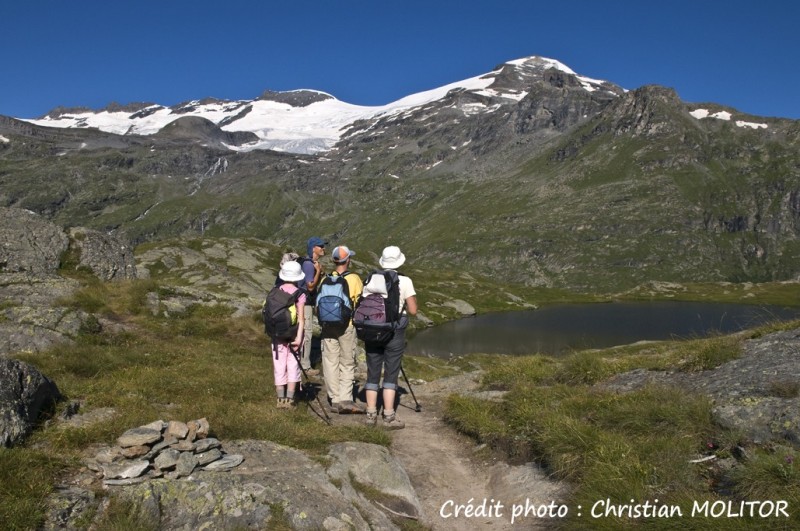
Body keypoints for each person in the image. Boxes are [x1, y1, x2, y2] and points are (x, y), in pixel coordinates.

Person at [363, 245, 417, 430]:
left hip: (371, 330)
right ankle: (388, 416)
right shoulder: (405, 281)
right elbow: (413, 310)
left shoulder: (371, 279)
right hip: (394, 331)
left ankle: (370, 414)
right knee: (391, 373)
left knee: (372, 371)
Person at [320, 245, 365, 414]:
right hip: (347, 325)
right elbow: (360, 302)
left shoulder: (326, 279)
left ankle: (334, 398)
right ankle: (346, 399)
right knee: (346, 362)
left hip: (327, 325)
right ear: (348, 260)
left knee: (330, 362)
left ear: (334, 260)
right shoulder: (354, 278)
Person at [270, 260, 306, 409]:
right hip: (293, 335)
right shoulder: (300, 294)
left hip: (277, 335)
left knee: (279, 365)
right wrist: (298, 338)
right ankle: (290, 400)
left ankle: (280, 399)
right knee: (292, 365)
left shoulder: (275, 291)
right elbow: (301, 319)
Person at [300, 237, 327, 376]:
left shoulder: (309, 263)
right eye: (321, 246)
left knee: (304, 332)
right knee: (307, 333)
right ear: (313, 248)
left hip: (304, 302)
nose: (323, 248)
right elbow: (310, 287)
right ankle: (305, 366)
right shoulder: (310, 265)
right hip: (305, 303)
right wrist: (317, 272)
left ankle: (301, 363)